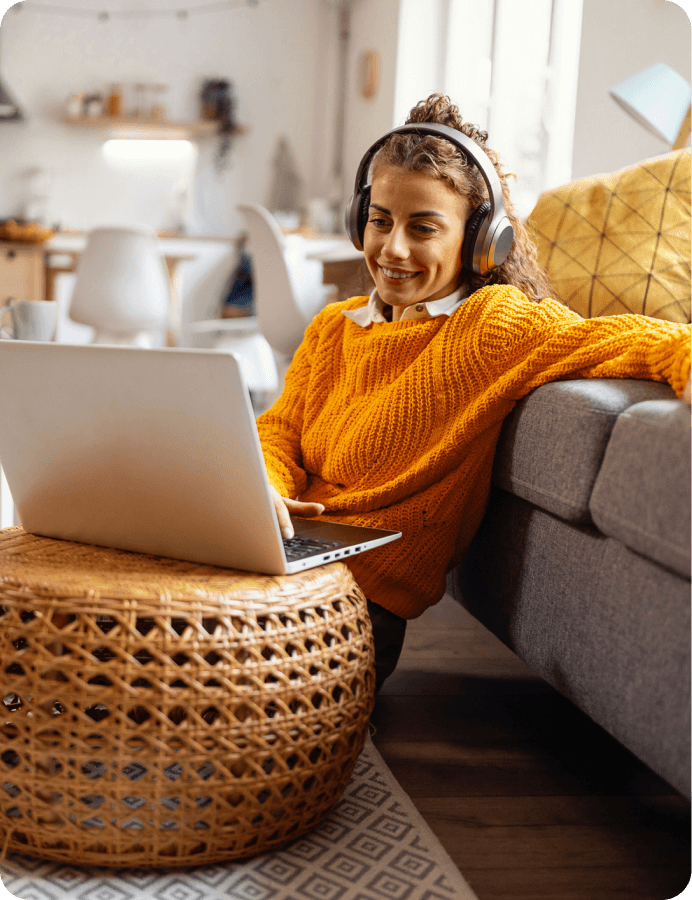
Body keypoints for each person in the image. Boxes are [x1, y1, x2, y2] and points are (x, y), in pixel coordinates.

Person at [256, 94, 691, 692]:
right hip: (277, 561)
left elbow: (620, 339)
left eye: (424, 227)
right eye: (380, 220)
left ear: (483, 239)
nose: (394, 248)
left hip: (351, 610)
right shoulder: (335, 326)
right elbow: (278, 429)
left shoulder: (488, 326)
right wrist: (264, 485)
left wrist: (686, 360)